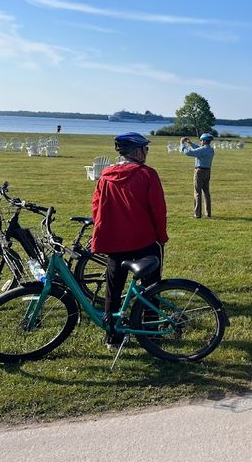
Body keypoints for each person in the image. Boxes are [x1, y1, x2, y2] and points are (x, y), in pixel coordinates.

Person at [91, 132, 168, 348]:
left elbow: (96, 207)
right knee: (151, 288)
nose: (147, 152)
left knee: (113, 291)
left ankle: (112, 336)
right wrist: (161, 236)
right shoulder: (147, 175)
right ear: (138, 152)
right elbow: (158, 210)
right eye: (146, 149)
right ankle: (150, 332)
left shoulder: (106, 175)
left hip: (115, 242)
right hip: (144, 240)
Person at [180, 133, 215, 218]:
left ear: (204, 141)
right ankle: (208, 213)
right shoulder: (211, 149)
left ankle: (197, 214)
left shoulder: (203, 150)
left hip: (199, 171)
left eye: (201, 140)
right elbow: (199, 149)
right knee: (206, 192)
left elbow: (189, 152)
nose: (200, 142)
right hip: (207, 171)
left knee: (197, 192)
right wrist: (190, 143)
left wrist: (182, 144)